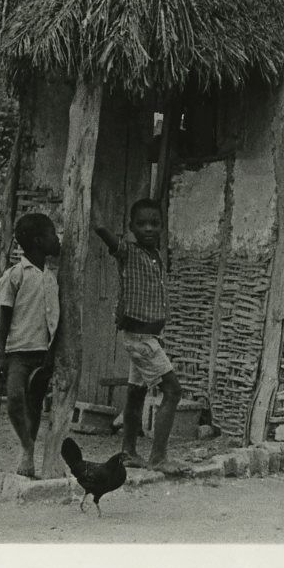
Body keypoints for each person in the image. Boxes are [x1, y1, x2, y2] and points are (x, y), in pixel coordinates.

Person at [95, 198, 184, 471]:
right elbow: (101, 229)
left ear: (162, 226)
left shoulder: (155, 256)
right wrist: (95, 208)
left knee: (135, 394)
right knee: (173, 391)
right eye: (142, 224)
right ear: (131, 227)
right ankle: (158, 457)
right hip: (141, 340)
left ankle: (128, 452)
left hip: (147, 339)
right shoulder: (129, 253)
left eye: (154, 223)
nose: (148, 228)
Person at [0, 211, 61, 477]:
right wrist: (0, 355)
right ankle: (27, 445)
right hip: (17, 353)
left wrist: (51, 353)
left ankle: (27, 458)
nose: (57, 240)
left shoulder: (51, 277)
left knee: (34, 404)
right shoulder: (15, 275)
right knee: (14, 401)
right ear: (38, 241)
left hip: (42, 352)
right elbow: (3, 317)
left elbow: (54, 320)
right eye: (52, 235)